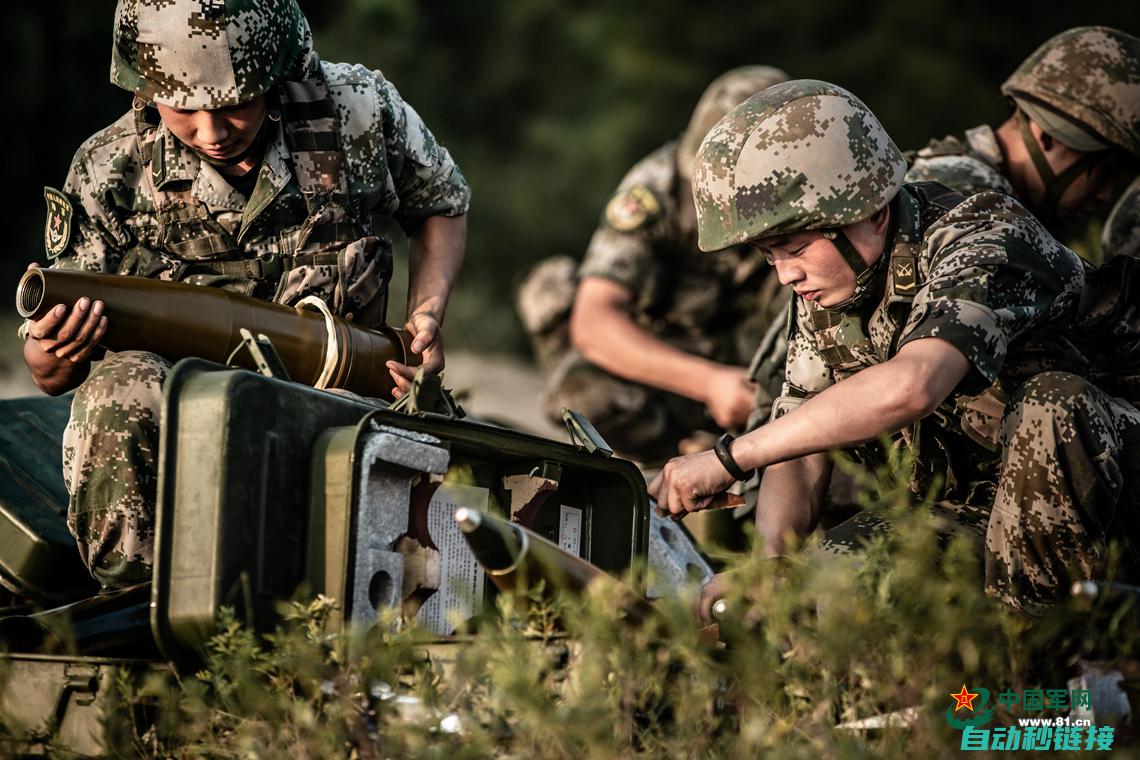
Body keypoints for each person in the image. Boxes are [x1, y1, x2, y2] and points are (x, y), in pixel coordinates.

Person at [648, 80, 1140, 622]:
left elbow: (913, 385)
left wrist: (729, 458)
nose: (786, 273)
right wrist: (771, 564)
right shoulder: (833, 283)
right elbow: (799, 435)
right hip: (974, 501)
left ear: (871, 212)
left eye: (794, 249)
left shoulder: (984, 237)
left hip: (1108, 495)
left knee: (1054, 403)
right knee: (822, 593)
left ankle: (1050, 653)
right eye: (770, 256)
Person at [21, 0, 470, 589]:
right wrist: (52, 356)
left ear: (276, 72)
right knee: (119, 386)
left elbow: (441, 204)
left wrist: (425, 316)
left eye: (234, 103)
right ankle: (140, 611)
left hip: (342, 417)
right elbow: (49, 372)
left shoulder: (354, 111)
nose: (211, 132)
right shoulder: (111, 170)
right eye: (182, 106)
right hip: (186, 442)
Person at [514, 66, 789, 464]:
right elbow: (594, 319)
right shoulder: (655, 191)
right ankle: (666, 458)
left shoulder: (798, 198)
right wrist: (709, 383)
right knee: (581, 386)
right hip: (668, 356)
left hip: (760, 366)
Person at [906, 26, 1140, 250]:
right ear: (1048, 135)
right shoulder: (977, 203)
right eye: (1104, 171)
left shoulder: (970, 183)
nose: (1106, 194)